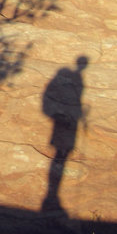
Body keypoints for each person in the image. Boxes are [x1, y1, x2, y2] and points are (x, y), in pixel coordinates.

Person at [41, 56, 88, 212]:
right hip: (64, 119)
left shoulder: (75, 78)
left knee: (63, 149)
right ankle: (52, 192)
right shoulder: (74, 78)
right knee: (60, 151)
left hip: (69, 118)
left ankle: (60, 160)